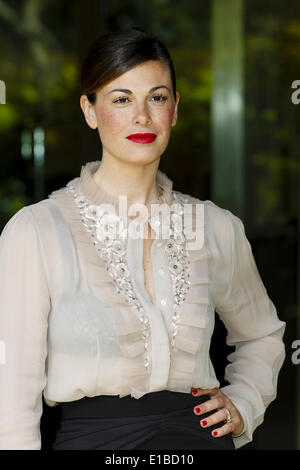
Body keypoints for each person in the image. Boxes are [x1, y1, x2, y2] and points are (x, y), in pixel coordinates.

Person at [0, 27, 286, 451]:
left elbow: (261, 334)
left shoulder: (215, 226)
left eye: (157, 97)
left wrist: (243, 401)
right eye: (121, 99)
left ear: (174, 109)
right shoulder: (37, 231)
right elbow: (12, 389)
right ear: (90, 110)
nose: (142, 116)